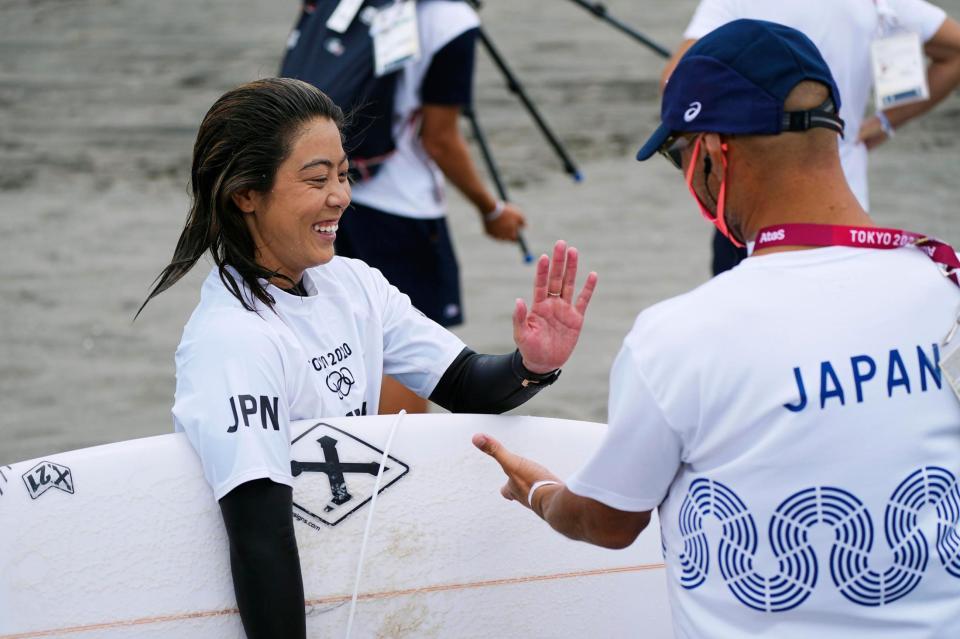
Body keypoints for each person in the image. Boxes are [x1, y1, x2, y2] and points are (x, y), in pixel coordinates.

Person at [475, 19, 960, 638]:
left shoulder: (681, 336)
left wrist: (540, 490)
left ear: (711, 151)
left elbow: (607, 522)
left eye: (679, 157)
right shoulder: (943, 281)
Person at [137, 77, 597, 639]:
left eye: (343, 173)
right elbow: (260, 539)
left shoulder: (352, 285)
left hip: (349, 588)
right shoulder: (234, 341)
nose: (341, 196)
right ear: (246, 194)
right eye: (316, 178)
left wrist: (532, 365)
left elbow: (466, 386)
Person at [314, 0, 528, 414]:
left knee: (351, 341)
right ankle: (393, 469)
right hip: (404, 211)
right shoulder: (451, 20)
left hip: (340, 197)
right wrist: (491, 209)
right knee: (405, 353)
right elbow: (440, 139)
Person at [661, 0, 960, 275]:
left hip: (751, 210)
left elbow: (675, 82)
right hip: (845, 209)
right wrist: (882, 124)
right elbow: (955, 51)